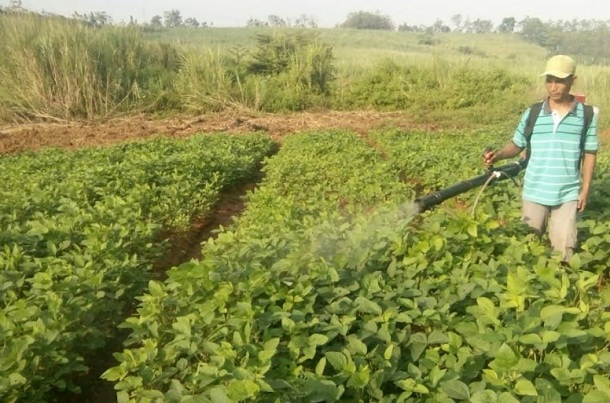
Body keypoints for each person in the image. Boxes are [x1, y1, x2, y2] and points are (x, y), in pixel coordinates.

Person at [483, 54, 599, 262]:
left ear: (573, 80)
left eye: (560, 81)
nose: (553, 87)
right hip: (535, 191)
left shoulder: (586, 115)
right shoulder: (533, 113)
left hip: (567, 193)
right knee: (527, 247)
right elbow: (517, 144)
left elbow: (590, 153)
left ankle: (562, 290)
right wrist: (498, 155)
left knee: (564, 251)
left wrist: (585, 189)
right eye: (549, 80)